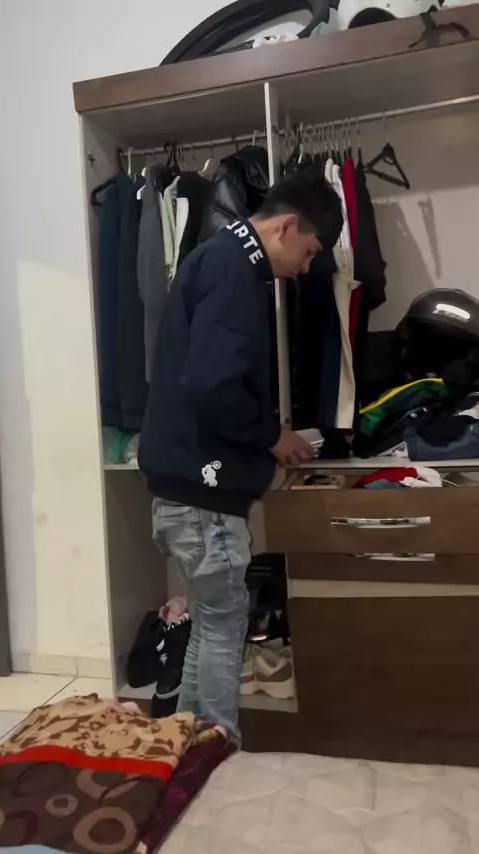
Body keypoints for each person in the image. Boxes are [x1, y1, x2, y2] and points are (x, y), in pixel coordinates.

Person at [138, 169, 343, 743]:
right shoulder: (233, 270)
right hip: (202, 494)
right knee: (224, 625)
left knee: (210, 623)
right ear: (286, 226)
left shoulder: (218, 257)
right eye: (310, 251)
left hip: (182, 484)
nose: (306, 267)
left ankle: (189, 745)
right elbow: (212, 384)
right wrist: (272, 434)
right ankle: (218, 748)